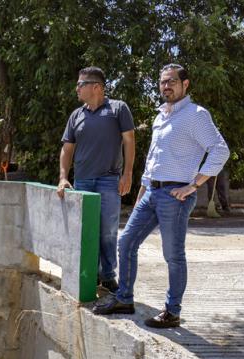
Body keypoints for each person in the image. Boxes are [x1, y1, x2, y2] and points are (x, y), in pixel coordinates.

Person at [92, 64, 229, 328]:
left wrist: (194, 185)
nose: (166, 86)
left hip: (175, 196)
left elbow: (220, 150)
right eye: (163, 82)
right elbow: (153, 160)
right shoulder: (160, 116)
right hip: (151, 192)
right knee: (126, 242)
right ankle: (124, 298)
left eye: (172, 82)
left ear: (185, 84)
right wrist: (141, 195)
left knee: (173, 255)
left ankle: (172, 311)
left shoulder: (196, 115)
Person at [57, 66, 136, 293]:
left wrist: (128, 173)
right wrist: (63, 177)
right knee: (85, 231)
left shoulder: (118, 109)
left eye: (80, 84)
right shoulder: (76, 115)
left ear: (96, 87)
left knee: (108, 231)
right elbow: (67, 149)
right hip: (82, 182)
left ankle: (108, 275)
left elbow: (130, 141)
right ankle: (89, 275)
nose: (77, 88)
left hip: (109, 181)